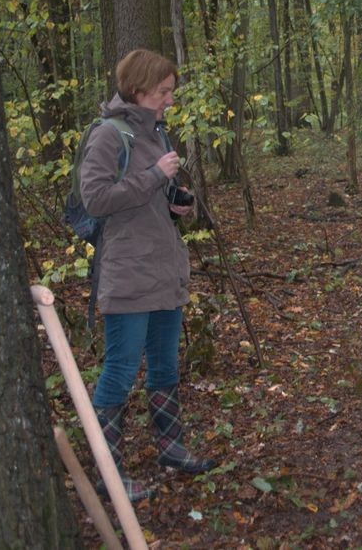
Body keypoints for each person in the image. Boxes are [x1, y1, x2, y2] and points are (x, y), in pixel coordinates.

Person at [80, 49, 214, 501]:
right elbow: (96, 199)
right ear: (138, 91)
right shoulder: (108, 136)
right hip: (128, 274)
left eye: (171, 92)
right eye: (163, 92)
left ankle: (171, 448)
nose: (169, 101)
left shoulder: (158, 132)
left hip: (164, 270)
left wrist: (180, 202)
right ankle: (108, 474)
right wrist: (154, 176)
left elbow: (159, 199)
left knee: (165, 365)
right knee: (120, 371)